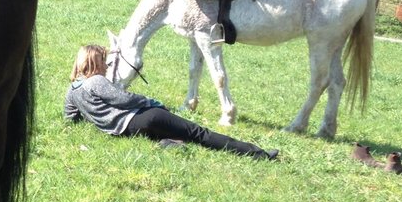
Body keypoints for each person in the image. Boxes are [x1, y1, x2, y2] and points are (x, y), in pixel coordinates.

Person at [64, 44, 278, 160]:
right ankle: (258, 153)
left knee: (181, 133)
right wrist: (150, 101)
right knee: (199, 133)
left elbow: (70, 117)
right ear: (93, 62)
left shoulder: (72, 91)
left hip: (126, 132)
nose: (106, 66)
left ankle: (170, 142)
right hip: (143, 119)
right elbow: (123, 99)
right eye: (103, 61)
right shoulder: (96, 81)